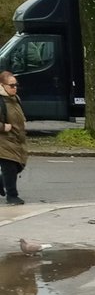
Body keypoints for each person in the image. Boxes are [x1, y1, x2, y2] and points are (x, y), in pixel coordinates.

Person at [0, 71, 28, 206]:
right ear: (2, 85)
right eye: (11, 85)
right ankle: (12, 196)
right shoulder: (0, 101)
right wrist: (2, 127)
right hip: (4, 141)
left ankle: (1, 182)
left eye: (16, 85)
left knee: (18, 165)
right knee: (10, 168)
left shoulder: (15, 98)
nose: (15, 87)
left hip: (16, 139)